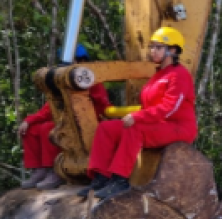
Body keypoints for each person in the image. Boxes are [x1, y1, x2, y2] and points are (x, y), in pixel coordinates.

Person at [81, 27, 197, 199]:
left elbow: (169, 108)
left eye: (158, 47)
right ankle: (101, 177)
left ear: (172, 50)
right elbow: (147, 105)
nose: (153, 51)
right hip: (156, 124)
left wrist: (138, 117)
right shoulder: (158, 75)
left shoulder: (179, 75)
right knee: (107, 128)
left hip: (177, 127)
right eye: (152, 47)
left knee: (134, 128)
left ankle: (120, 180)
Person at [18, 43, 111, 190]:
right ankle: (40, 170)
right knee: (32, 129)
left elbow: (102, 106)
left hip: (86, 125)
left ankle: (55, 170)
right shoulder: (65, 81)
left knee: (49, 129)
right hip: (68, 122)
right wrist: (29, 121)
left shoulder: (91, 80)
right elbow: (48, 109)